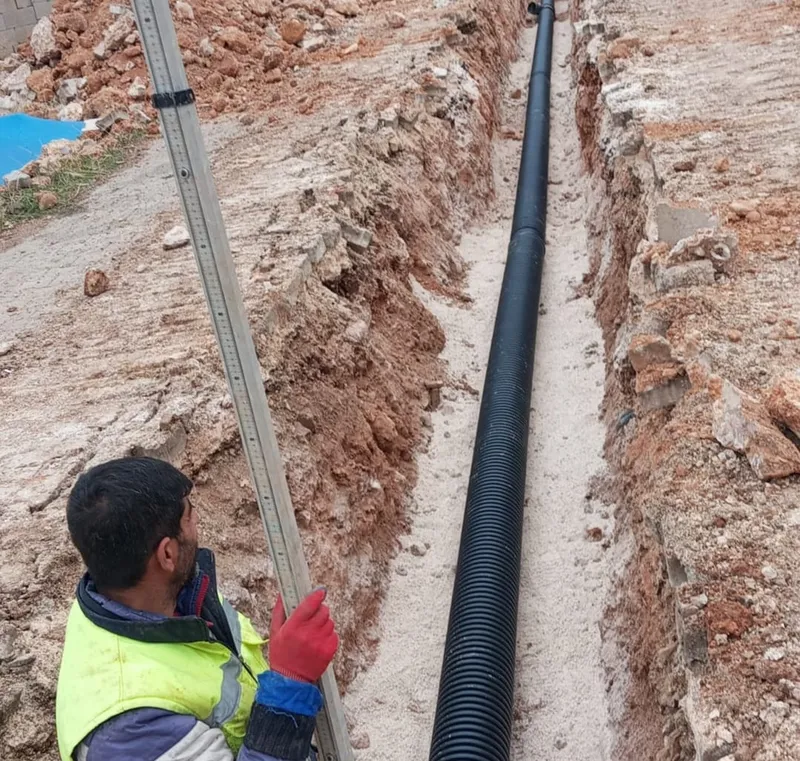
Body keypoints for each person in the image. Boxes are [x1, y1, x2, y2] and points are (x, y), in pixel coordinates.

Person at [55, 456, 339, 761]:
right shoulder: (131, 732)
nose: (196, 523)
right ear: (167, 554)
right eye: (189, 517)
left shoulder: (140, 595)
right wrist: (289, 683)